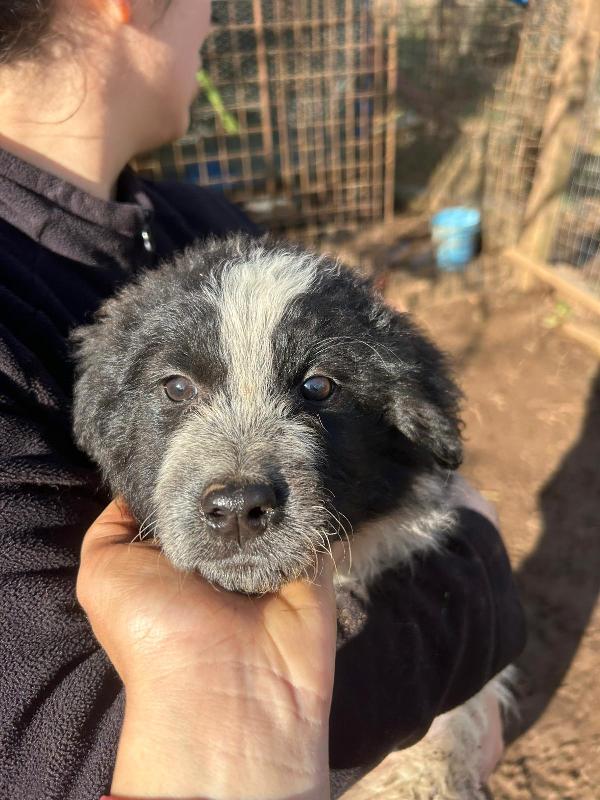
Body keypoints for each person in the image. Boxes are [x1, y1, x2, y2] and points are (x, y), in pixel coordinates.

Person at [0, 2, 526, 798]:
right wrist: (478, 577)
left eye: (316, 388)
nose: (213, 18)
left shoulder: (200, 220)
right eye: (175, 389)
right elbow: (68, 740)